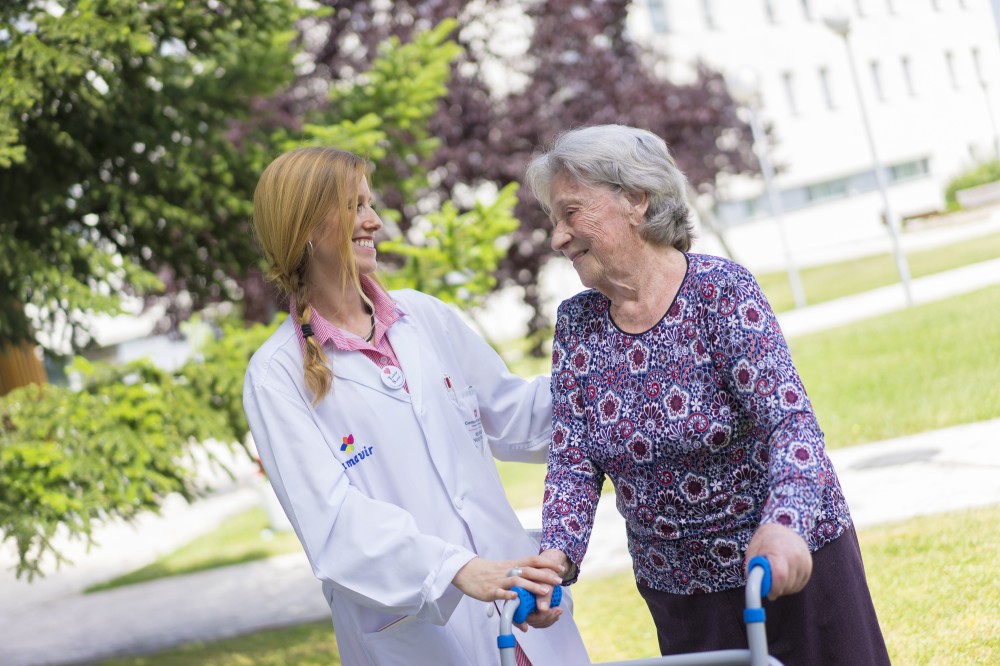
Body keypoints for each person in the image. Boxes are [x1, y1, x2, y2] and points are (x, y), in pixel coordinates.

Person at [524, 125, 890, 665]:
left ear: (635, 200)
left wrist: (785, 525)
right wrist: (555, 558)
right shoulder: (578, 323)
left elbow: (789, 424)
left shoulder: (719, 292)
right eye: (552, 220)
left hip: (786, 567)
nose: (557, 237)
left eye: (570, 213)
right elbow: (575, 460)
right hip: (680, 595)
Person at [242, 146, 591, 665]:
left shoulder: (423, 318)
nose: (374, 221)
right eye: (356, 207)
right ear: (307, 229)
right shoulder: (276, 377)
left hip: (519, 614)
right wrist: (455, 568)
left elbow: (512, 412)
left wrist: (602, 381)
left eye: (370, 204)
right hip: (421, 634)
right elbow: (334, 524)